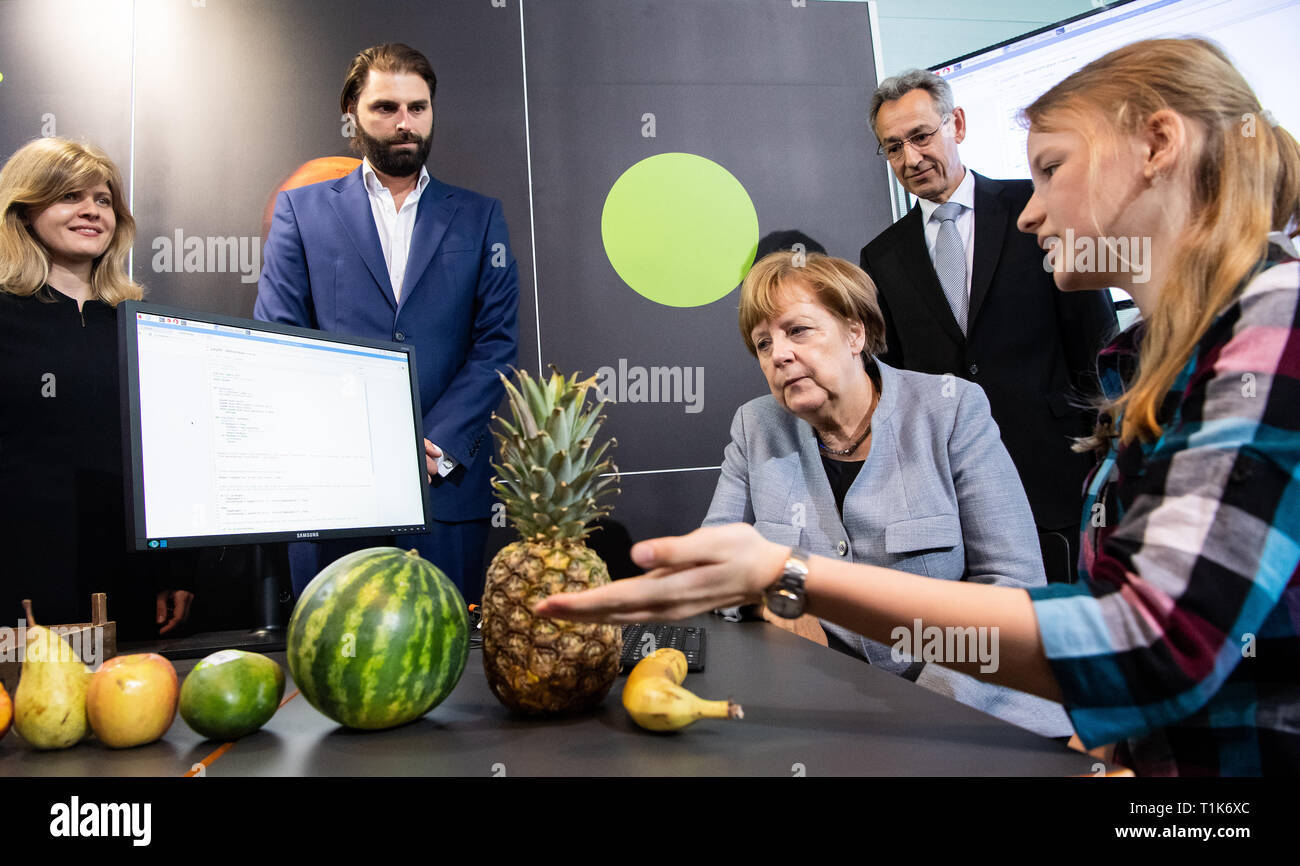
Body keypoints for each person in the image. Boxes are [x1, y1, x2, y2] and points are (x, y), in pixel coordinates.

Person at [539, 38, 1300, 776]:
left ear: (1158, 143)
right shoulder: (1147, 362)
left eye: (1051, 169)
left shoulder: (1272, 328)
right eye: (762, 342)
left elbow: (1147, 645)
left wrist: (789, 573)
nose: (1029, 214)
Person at [698, 250, 1070, 737]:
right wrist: (774, 596)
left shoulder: (951, 410)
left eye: (798, 330)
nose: (779, 355)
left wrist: (920, 707)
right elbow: (710, 561)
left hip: (976, 709)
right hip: (826, 713)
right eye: (763, 343)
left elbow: (1013, 584)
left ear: (855, 333)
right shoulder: (757, 426)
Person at [256, 43, 519, 603]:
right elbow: (280, 341)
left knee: (446, 670)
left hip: (444, 490)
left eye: (417, 108)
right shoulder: (300, 212)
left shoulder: (480, 216)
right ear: (351, 112)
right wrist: (363, 448)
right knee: (333, 667)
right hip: (331, 491)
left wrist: (433, 444)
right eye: (385, 108)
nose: (405, 123)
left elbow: (495, 344)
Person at [860, 69, 1118, 583]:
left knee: (1067, 635)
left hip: (1060, 472)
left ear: (955, 123)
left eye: (920, 136)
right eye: (892, 148)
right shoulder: (881, 257)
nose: (910, 159)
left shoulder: (1037, 208)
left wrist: (1106, 458)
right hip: (954, 493)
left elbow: (1096, 345)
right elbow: (897, 383)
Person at [0, 137, 194, 640]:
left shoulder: (141, 325)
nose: (91, 211)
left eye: (103, 201)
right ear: (23, 211)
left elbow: (167, 456)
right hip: (18, 582)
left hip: (128, 583)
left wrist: (174, 568)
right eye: (70, 197)